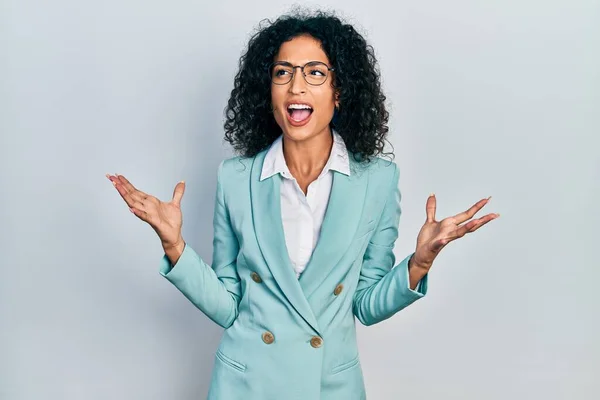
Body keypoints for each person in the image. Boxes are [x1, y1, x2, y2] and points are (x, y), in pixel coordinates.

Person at [107, 9, 498, 400]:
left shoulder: (378, 181)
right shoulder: (235, 178)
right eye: (282, 72)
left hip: (329, 387)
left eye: (315, 72)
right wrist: (175, 247)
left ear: (339, 90)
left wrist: (419, 264)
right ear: (269, 91)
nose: (296, 86)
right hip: (246, 384)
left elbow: (365, 305)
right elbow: (228, 306)